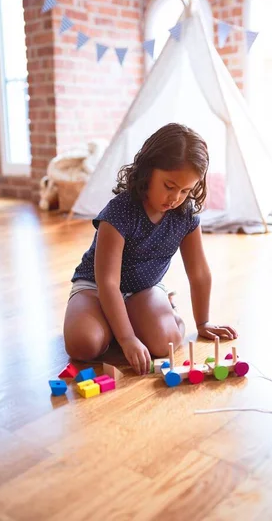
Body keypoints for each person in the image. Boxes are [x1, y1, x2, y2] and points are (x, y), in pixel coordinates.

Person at [64, 123, 237, 375]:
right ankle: (115, 324)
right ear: (148, 170)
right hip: (96, 288)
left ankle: (154, 313)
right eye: (169, 186)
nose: (175, 198)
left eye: (186, 190)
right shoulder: (119, 212)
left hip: (144, 290)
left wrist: (203, 322)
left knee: (163, 342)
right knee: (83, 345)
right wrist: (126, 339)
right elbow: (108, 284)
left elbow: (199, 273)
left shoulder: (185, 215)